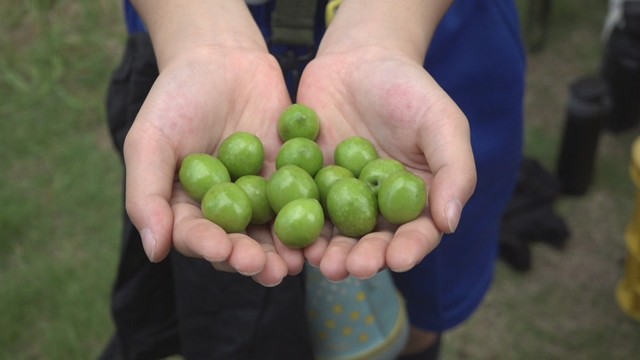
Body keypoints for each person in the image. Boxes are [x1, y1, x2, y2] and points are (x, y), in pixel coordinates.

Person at [101, 0, 525, 359]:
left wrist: (385, 28)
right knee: (240, 323)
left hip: (420, 55)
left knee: (420, 311)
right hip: (198, 61)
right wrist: (200, 35)